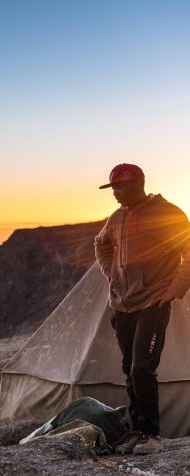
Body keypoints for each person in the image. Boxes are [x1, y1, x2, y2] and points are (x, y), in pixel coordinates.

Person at [95, 163, 190, 455]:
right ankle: (136, 431)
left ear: (137, 184)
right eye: (112, 188)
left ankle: (150, 434)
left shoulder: (166, 213)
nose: (115, 193)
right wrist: (112, 274)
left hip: (152, 304)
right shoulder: (117, 217)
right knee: (129, 370)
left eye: (119, 186)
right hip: (122, 306)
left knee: (141, 369)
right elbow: (101, 244)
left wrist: (174, 289)